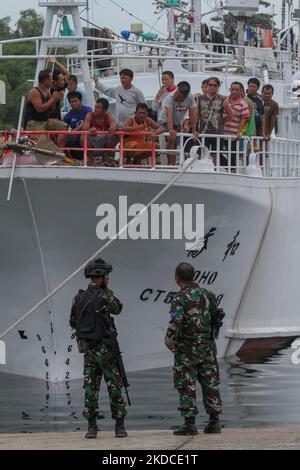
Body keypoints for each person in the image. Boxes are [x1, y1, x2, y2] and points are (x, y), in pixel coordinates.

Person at [70, 258, 128, 439]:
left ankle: (92, 428)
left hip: (89, 352)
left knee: (90, 389)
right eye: (106, 276)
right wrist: (107, 292)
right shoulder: (105, 296)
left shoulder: (78, 298)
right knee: (115, 388)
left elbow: (72, 322)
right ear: (101, 277)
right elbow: (117, 309)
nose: (108, 278)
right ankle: (119, 427)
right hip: (107, 352)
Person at [164, 262, 222, 435]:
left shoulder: (179, 298)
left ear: (177, 278)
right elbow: (215, 319)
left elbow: (176, 322)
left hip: (187, 349)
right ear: (193, 277)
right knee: (210, 382)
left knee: (187, 384)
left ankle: (189, 424)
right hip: (208, 347)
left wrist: (169, 341)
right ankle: (214, 422)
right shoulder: (208, 295)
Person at [24, 69, 68, 137]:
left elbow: (51, 110)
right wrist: (53, 99)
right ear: (45, 80)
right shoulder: (34, 92)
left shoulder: (47, 92)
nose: (52, 81)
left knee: (63, 126)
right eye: (51, 79)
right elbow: (40, 109)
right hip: (35, 122)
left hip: (45, 121)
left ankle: (60, 147)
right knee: (42, 140)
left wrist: (56, 99)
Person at [164, 81, 198, 165]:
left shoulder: (190, 97)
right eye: (176, 92)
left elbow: (193, 114)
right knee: (171, 139)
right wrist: (171, 129)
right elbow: (169, 115)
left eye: (179, 96)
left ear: (185, 96)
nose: (176, 95)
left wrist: (194, 130)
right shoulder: (170, 97)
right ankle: (170, 164)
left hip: (177, 122)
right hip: (164, 121)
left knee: (176, 144)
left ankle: (173, 164)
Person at [81, 98, 117, 164]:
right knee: (83, 137)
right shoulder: (90, 115)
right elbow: (85, 128)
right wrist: (89, 130)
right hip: (93, 142)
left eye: (98, 107)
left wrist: (112, 128)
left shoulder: (108, 116)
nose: (95, 109)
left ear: (105, 110)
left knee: (115, 135)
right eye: (95, 106)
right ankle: (90, 158)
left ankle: (106, 156)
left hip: (104, 144)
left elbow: (113, 124)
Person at [62, 91, 93, 159]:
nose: (74, 103)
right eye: (71, 102)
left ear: (81, 101)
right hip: (74, 142)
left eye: (76, 101)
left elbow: (87, 122)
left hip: (87, 139)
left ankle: (90, 158)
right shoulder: (67, 116)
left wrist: (75, 130)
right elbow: (63, 129)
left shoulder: (88, 110)